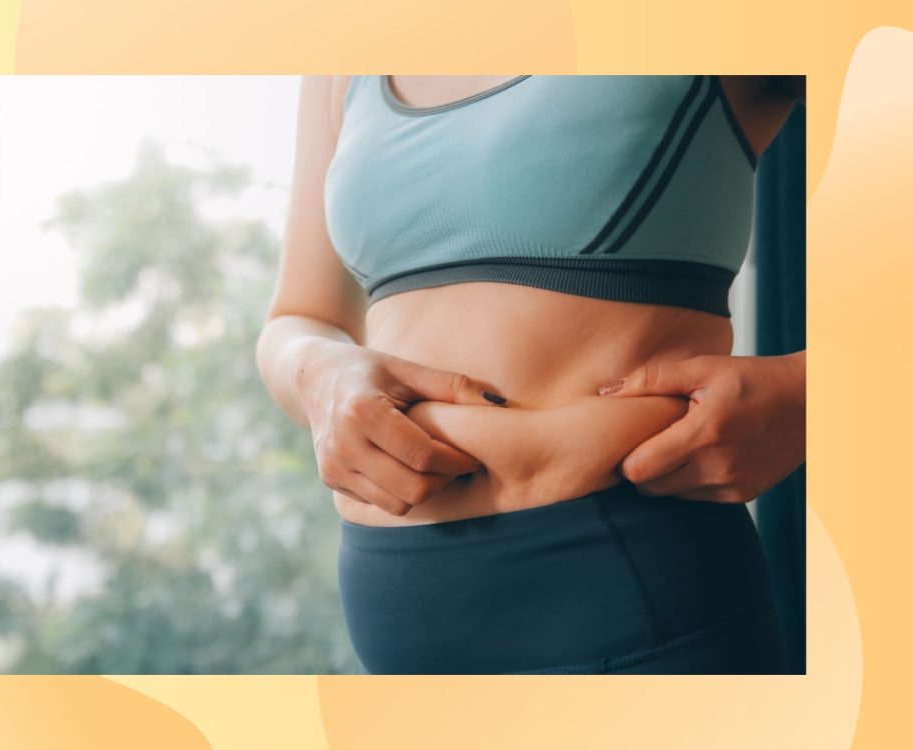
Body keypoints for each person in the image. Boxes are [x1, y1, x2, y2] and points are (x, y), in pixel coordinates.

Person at [255, 74, 806, 674]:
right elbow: (299, 317)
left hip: (627, 582)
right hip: (396, 614)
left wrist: (816, 391)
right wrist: (322, 375)